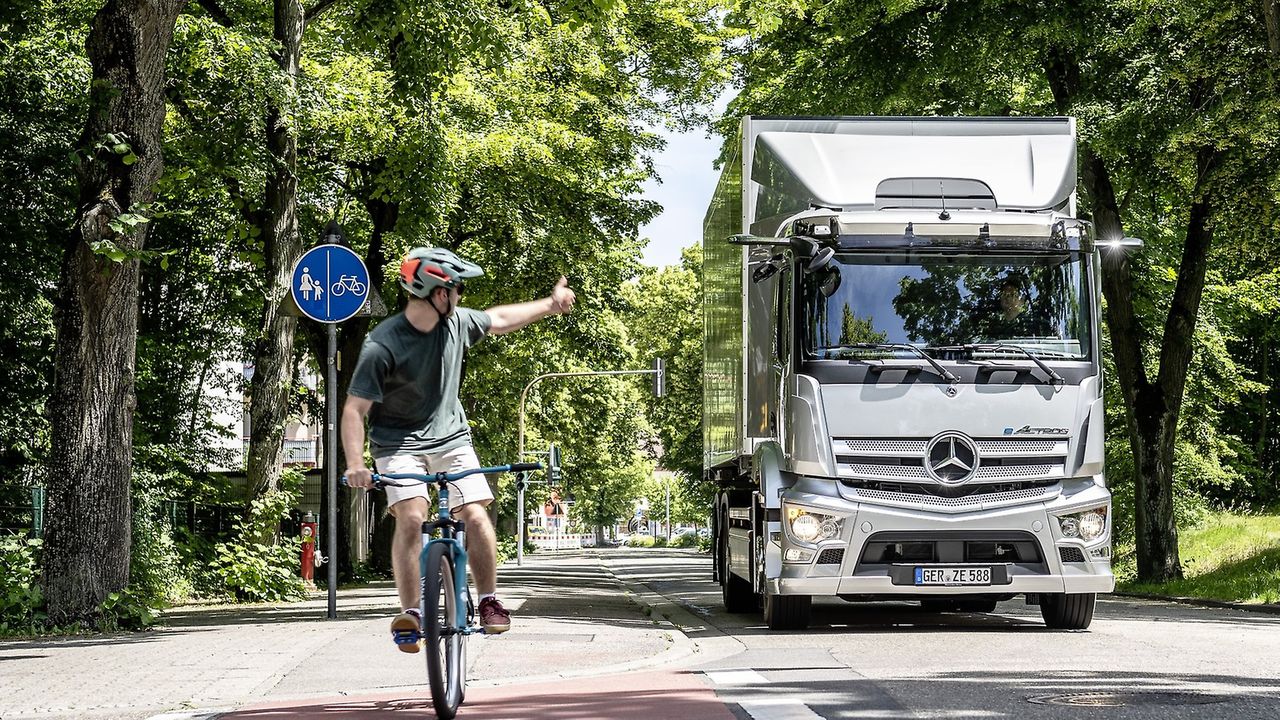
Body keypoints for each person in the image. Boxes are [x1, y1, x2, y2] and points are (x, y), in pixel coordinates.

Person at [342, 246, 576, 651]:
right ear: (437, 293)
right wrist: (356, 463)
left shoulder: (457, 324)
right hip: (397, 445)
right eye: (457, 289)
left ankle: (487, 599)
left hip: (452, 440)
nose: (461, 297)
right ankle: (413, 612)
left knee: (475, 515)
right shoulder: (382, 344)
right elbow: (354, 410)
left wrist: (550, 305)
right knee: (412, 517)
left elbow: (500, 318)